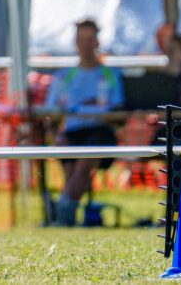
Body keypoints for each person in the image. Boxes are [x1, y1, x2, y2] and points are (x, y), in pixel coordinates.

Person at [43, 19, 124, 226]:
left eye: (90, 39)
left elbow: (119, 111)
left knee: (84, 159)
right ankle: (66, 212)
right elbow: (51, 112)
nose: (86, 44)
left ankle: (62, 213)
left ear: (97, 41)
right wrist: (55, 134)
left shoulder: (110, 75)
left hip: (101, 133)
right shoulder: (64, 76)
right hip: (72, 134)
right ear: (75, 42)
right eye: (81, 39)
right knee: (73, 165)